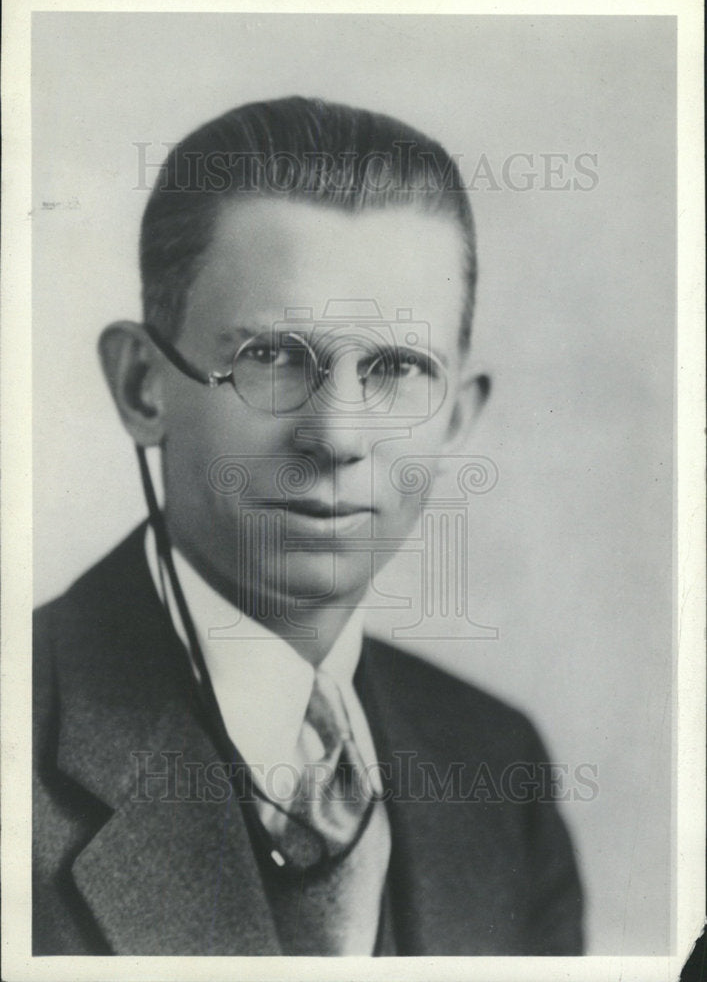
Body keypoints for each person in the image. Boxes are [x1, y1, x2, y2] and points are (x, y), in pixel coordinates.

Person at [33, 96, 584, 956]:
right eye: (273, 357)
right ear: (142, 385)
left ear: (456, 418)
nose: (337, 437)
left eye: (398, 368)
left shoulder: (494, 770)